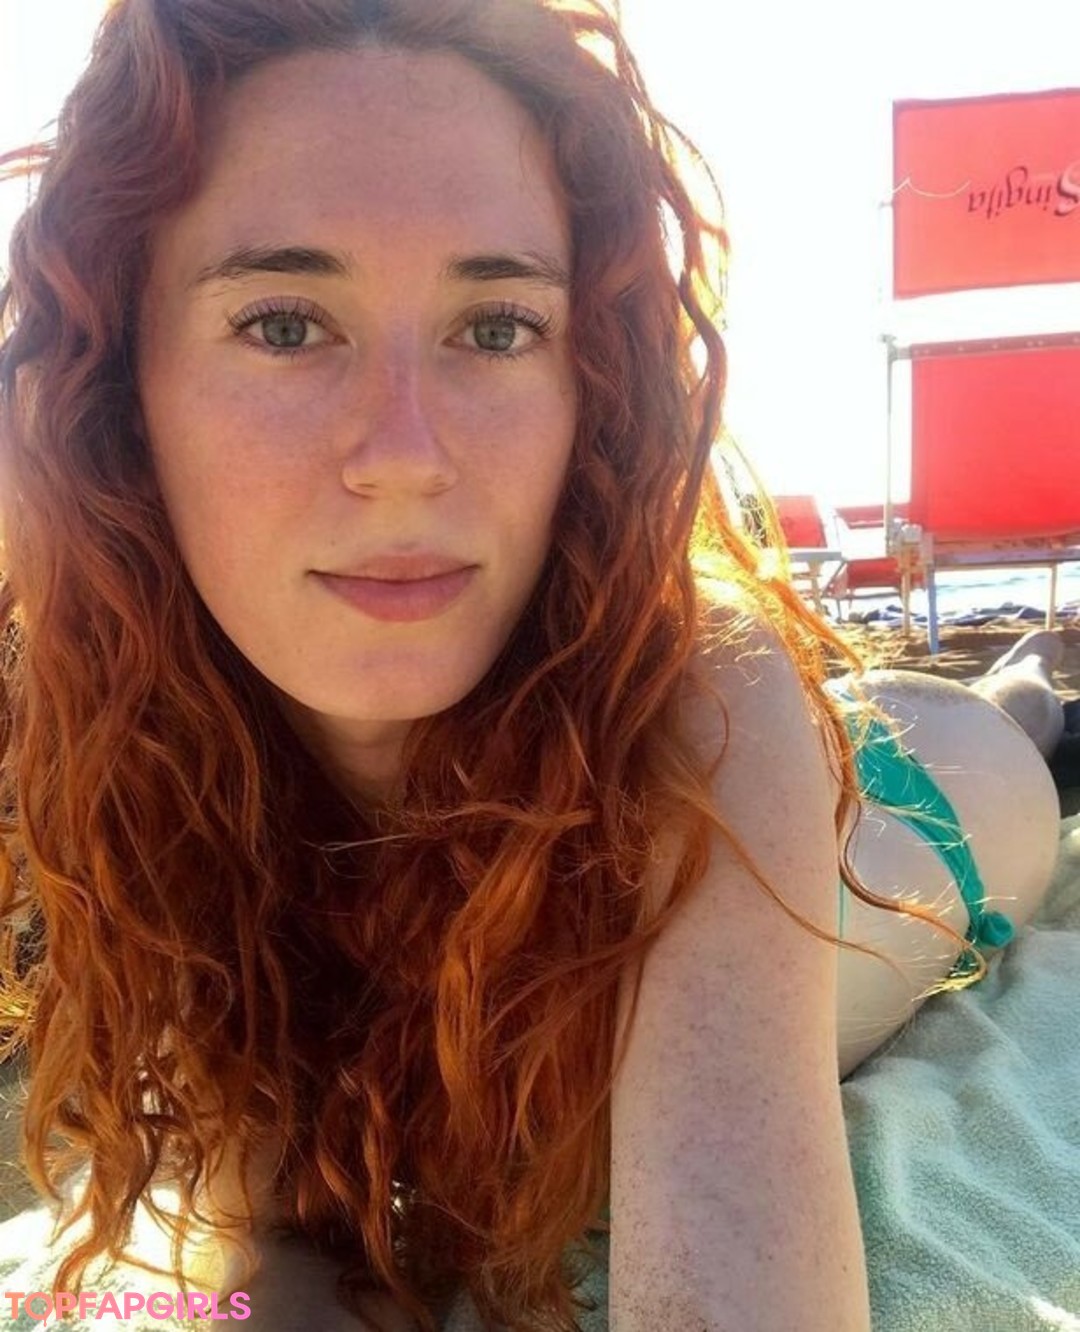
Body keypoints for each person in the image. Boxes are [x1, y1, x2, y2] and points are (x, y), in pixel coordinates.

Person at [0, 1, 1062, 1329]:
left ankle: (1032, 685)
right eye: (283, 324)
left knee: (1018, 717)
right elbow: (248, 1239)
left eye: (497, 327)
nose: (405, 455)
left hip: (934, 801)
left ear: (587, 379)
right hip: (825, 756)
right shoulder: (142, 745)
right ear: (120, 384)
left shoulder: (693, 702)